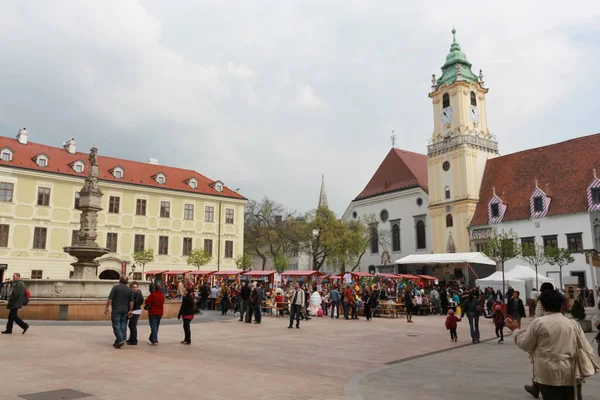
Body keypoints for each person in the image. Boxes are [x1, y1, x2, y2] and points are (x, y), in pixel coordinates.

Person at [507, 289, 597, 400]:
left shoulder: (538, 323)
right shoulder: (573, 324)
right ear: (561, 306)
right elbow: (586, 348)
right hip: (570, 373)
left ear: (543, 306)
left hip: (547, 374)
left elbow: (525, 345)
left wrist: (515, 330)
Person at [104, 275, 133, 348]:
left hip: (116, 309)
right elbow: (131, 301)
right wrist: (130, 310)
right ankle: (120, 340)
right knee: (123, 325)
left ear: (119, 280)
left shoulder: (115, 287)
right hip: (125, 310)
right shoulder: (129, 290)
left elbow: (110, 299)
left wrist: (106, 307)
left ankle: (120, 339)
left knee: (116, 324)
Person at [126, 281, 144, 345]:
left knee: (133, 326)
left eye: (136, 287)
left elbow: (135, 302)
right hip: (134, 311)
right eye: (133, 287)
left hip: (135, 311)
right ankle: (131, 338)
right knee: (131, 325)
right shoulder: (134, 293)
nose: (135, 288)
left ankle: (134, 340)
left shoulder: (138, 293)